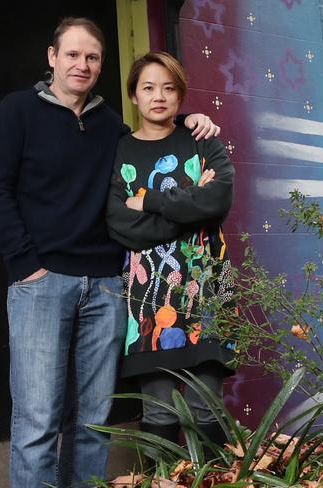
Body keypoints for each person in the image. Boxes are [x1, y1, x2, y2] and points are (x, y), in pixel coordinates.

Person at [0, 18, 220, 488]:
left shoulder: (112, 126)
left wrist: (190, 122)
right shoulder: (17, 112)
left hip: (108, 286)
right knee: (37, 423)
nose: (81, 65)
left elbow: (153, 150)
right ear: (52, 57)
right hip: (40, 285)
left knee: (93, 422)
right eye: (72, 55)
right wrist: (25, 265)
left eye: (91, 58)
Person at [106, 52, 235, 454]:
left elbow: (219, 199)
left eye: (168, 88)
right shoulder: (120, 151)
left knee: (205, 409)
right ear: (133, 95)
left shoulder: (200, 140)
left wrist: (147, 202)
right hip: (147, 299)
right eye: (148, 87)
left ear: (180, 96)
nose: (158, 96)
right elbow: (116, 221)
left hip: (208, 289)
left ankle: (220, 481)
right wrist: (189, 208)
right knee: (159, 412)